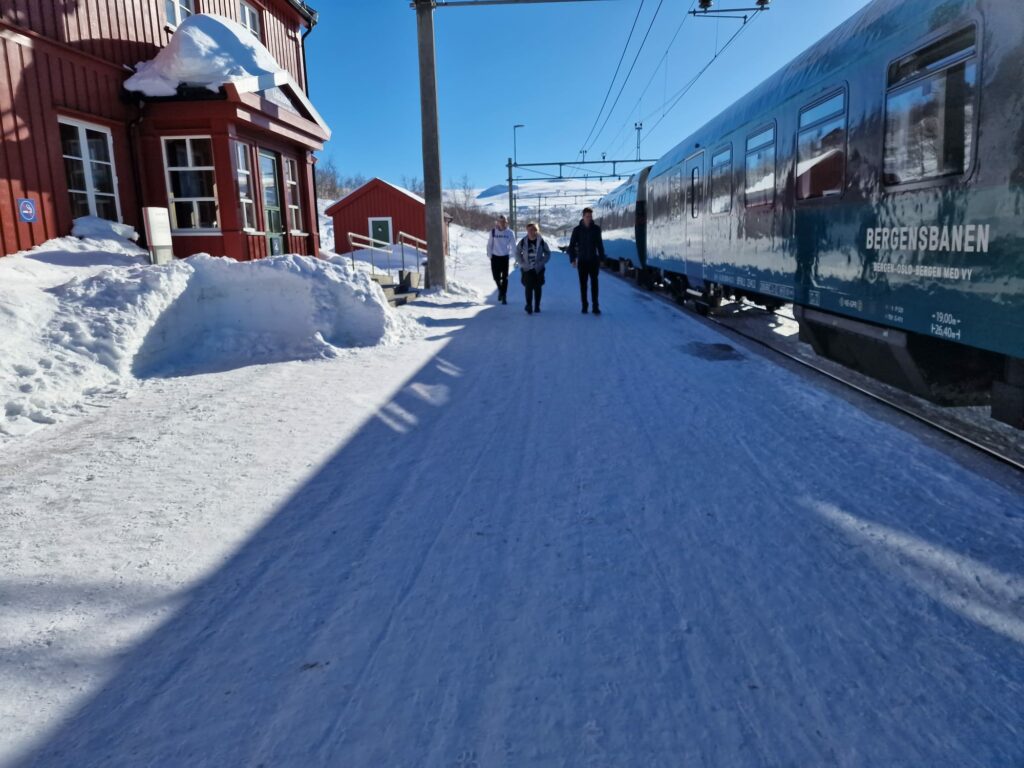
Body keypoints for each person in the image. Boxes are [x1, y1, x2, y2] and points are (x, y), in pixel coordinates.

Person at [568, 207, 606, 315]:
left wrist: (602, 258)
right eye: (587, 216)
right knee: (583, 285)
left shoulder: (596, 229)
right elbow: (572, 246)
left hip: (594, 261)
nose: (589, 218)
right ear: (583, 216)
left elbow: (599, 244)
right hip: (582, 261)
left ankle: (595, 306)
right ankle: (584, 306)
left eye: (590, 216)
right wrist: (573, 259)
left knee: (595, 284)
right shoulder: (577, 230)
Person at [516, 222, 550, 315]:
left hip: (538, 269)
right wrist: (522, 263)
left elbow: (547, 253)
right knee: (528, 287)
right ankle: (529, 305)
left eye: (533, 229)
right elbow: (517, 252)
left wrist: (541, 262)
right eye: (529, 230)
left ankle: (537, 306)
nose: (531, 231)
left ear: (536, 230)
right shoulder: (523, 241)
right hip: (527, 268)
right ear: (527, 230)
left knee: (537, 287)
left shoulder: (541, 241)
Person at [485, 215, 516, 304]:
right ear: (497, 222)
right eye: (500, 221)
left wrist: (516, 258)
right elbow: (489, 244)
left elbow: (513, 246)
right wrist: (490, 255)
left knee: (505, 278)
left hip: (505, 257)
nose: (502, 223)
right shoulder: (493, 232)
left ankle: (503, 295)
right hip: (495, 257)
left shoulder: (510, 233)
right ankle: (500, 290)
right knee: (496, 277)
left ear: (506, 223)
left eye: (504, 222)